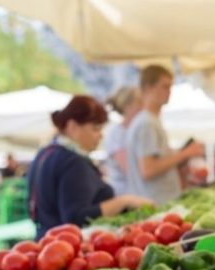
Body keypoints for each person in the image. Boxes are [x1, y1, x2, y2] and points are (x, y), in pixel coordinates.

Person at [27, 95, 151, 238]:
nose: (100, 136)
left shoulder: (44, 153)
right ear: (72, 126)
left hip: (45, 243)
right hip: (69, 248)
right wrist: (125, 201)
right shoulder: (72, 162)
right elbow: (76, 218)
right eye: (95, 129)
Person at [125, 65, 204, 204]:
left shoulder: (149, 121)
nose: (169, 92)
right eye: (165, 87)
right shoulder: (147, 123)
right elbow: (148, 169)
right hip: (157, 204)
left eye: (170, 87)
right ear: (148, 87)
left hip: (159, 203)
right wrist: (185, 153)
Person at [105, 87, 142, 195]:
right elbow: (130, 169)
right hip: (124, 195)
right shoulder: (116, 134)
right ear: (127, 106)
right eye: (139, 102)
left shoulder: (136, 131)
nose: (143, 106)